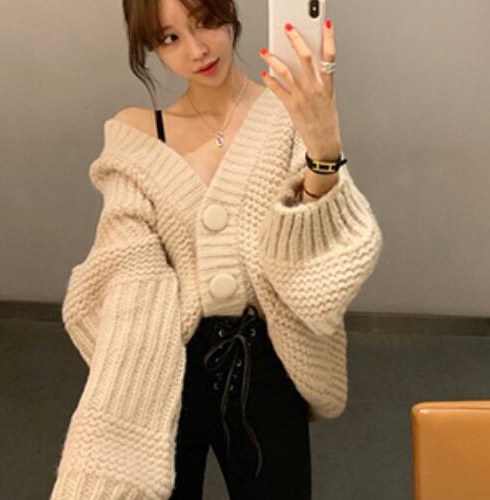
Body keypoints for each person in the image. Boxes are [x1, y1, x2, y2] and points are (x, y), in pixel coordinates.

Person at [50, 1, 384, 499]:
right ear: (150, 49)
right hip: (166, 363)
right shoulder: (137, 134)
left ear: (229, 13)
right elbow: (126, 262)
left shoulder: (287, 113)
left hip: (265, 360)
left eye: (205, 22)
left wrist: (323, 152)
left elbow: (318, 264)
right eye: (170, 38)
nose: (197, 50)